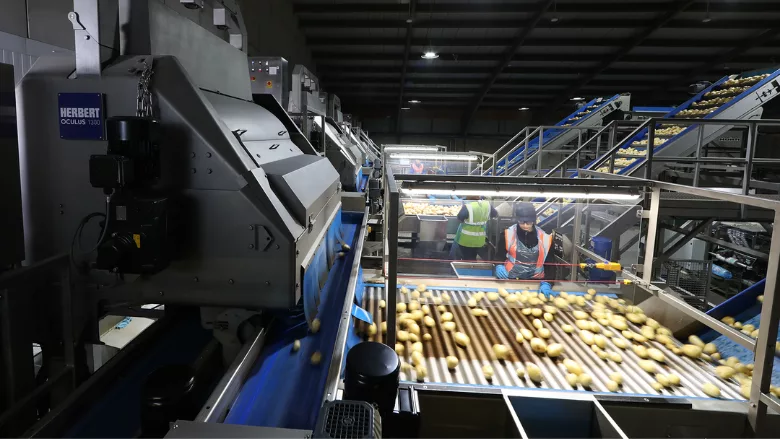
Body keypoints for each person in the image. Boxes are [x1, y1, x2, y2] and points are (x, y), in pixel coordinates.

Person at [495, 202, 554, 296]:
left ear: (534, 220)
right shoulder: (507, 234)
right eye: (522, 222)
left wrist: (548, 282)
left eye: (529, 222)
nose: (525, 225)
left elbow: (550, 264)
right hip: (510, 281)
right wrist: (498, 266)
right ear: (517, 220)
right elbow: (499, 257)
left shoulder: (545, 238)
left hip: (536, 284)